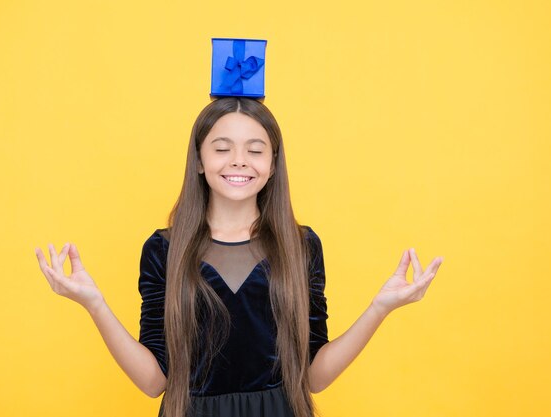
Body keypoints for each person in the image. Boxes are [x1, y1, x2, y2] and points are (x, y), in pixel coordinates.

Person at [35, 97, 443, 417]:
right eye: (222, 148)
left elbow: (315, 377)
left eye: (255, 149)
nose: (238, 161)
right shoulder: (164, 250)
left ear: (273, 163)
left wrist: (381, 307)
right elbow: (153, 381)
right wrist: (94, 304)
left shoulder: (301, 247)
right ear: (198, 160)